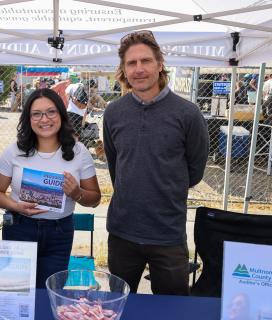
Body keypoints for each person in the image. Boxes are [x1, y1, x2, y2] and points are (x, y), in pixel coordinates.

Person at [103, 30, 209, 295]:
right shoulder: (113, 113)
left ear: (160, 64)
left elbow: (194, 172)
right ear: (124, 70)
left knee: (172, 309)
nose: (139, 69)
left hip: (168, 235)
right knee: (119, 305)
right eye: (131, 63)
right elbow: (116, 167)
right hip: (122, 232)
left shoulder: (188, 113)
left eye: (146, 61)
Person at [0, 88, 101, 288]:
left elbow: (95, 199)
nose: (44, 119)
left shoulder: (79, 151)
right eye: (36, 114)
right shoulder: (14, 151)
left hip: (60, 232)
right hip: (19, 228)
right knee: (16, 290)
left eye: (51, 112)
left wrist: (77, 193)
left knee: (50, 292)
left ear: (61, 114)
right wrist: (16, 206)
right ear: (28, 119)